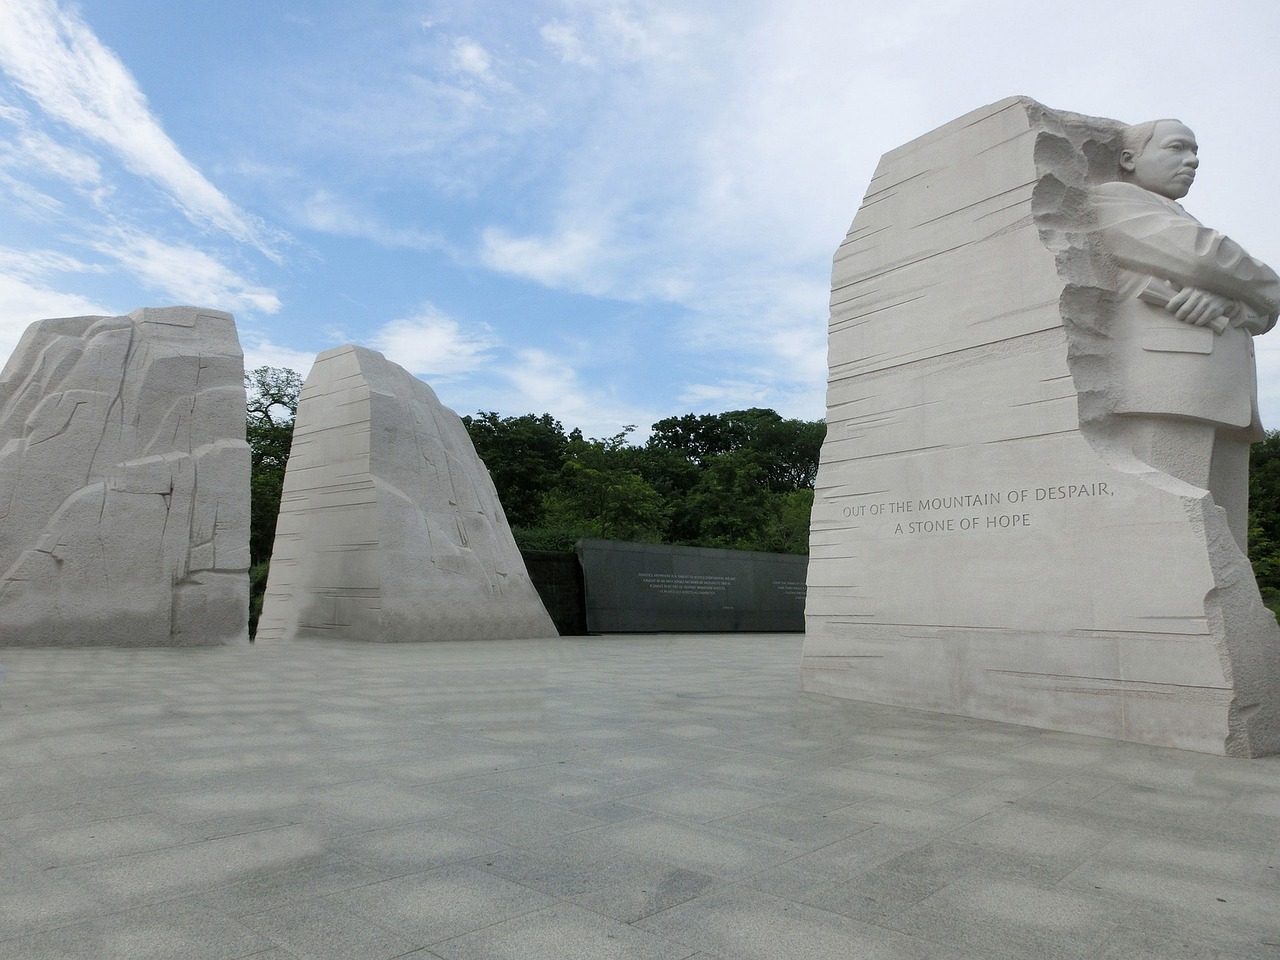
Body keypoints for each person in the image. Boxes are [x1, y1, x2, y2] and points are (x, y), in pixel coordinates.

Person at [1092, 119, 1280, 551]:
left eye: (1196, 153)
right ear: (1129, 158)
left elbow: (1261, 314)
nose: (1192, 161)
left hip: (1223, 394)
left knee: (1225, 538)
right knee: (1169, 534)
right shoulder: (1114, 199)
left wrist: (1230, 302)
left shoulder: (1177, 215)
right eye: (1177, 148)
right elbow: (1206, 258)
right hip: (1169, 387)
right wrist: (1263, 286)